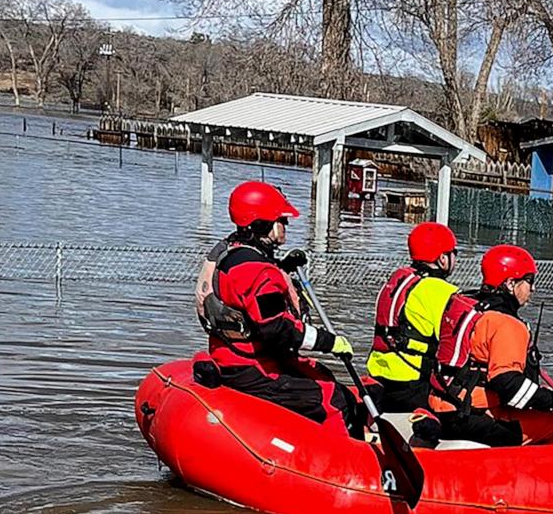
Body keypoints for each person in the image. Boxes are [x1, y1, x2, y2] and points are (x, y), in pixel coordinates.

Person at [195, 180, 361, 439]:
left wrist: (282, 267)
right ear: (262, 224)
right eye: (281, 220)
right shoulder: (258, 272)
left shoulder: (232, 255)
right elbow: (277, 328)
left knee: (321, 373)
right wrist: (329, 342)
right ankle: (349, 464)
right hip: (251, 367)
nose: (286, 226)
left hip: (230, 356)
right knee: (334, 399)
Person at [417, 244, 553, 448]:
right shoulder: (507, 324)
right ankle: (541, 472)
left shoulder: (463, 304)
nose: (533, 288)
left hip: (439, 406)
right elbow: (509, 385)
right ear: (510, 283)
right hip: (469, 417)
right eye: (529, 281)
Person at [367, 221, 461, 414]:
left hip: (380, 375)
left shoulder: (398, 279)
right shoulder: (442, 291)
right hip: (413, 384)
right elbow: (455, 345)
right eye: (454, 254)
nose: (455, 260)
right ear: (443, 258)